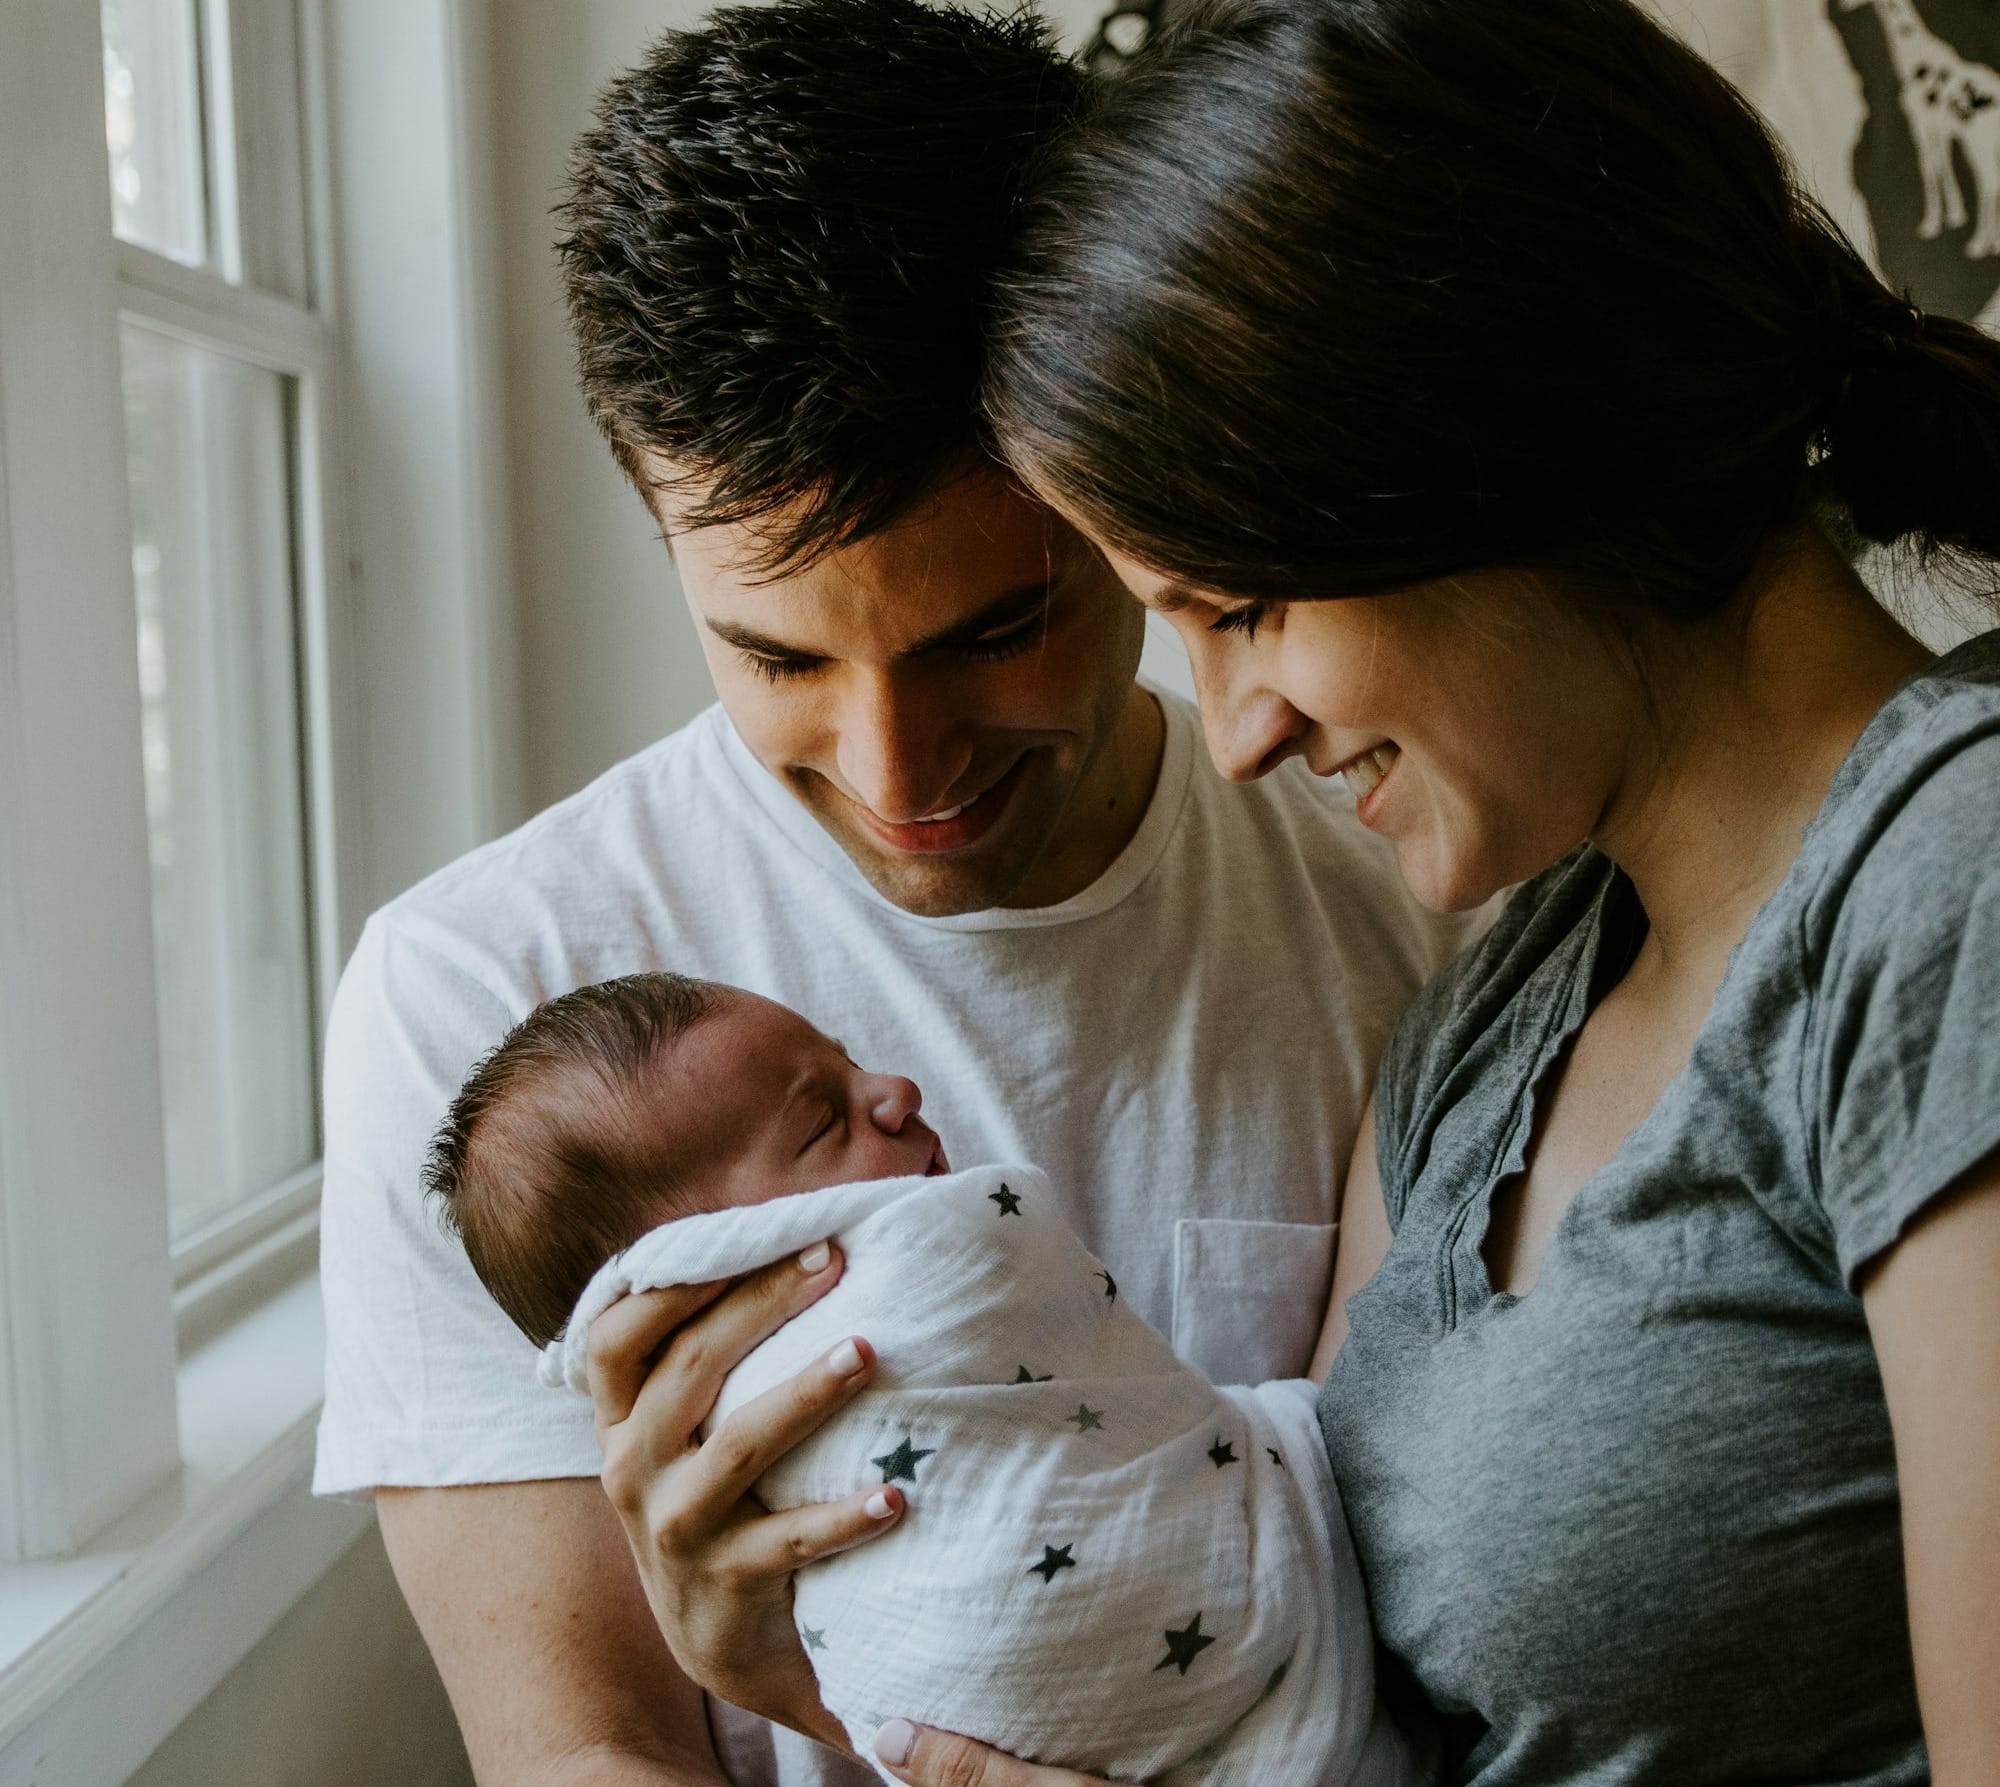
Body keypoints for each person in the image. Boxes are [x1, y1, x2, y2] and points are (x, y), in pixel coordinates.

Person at [587, 0, 2000, 1783]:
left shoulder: (1956, 885)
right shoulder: (1516, 997)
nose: (1235, 731)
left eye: (1245, 609)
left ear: (1513, 455)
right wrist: (845, 1684)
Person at [309, 3, 1468, 1784]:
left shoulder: (1410, 906)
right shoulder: (483, 998)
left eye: (995, 631)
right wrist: (791, 1687)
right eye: (774, 657)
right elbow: (579, 1755)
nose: (898, 771)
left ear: (1128, 496)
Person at [426, 971, 1417, 1786]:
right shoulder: (454, 969)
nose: (894, 1087)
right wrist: (760, 1669)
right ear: (711, 1259)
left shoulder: (1376, 940)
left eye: (847, 1060)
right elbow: (577, 1751)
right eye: (820, 1121)